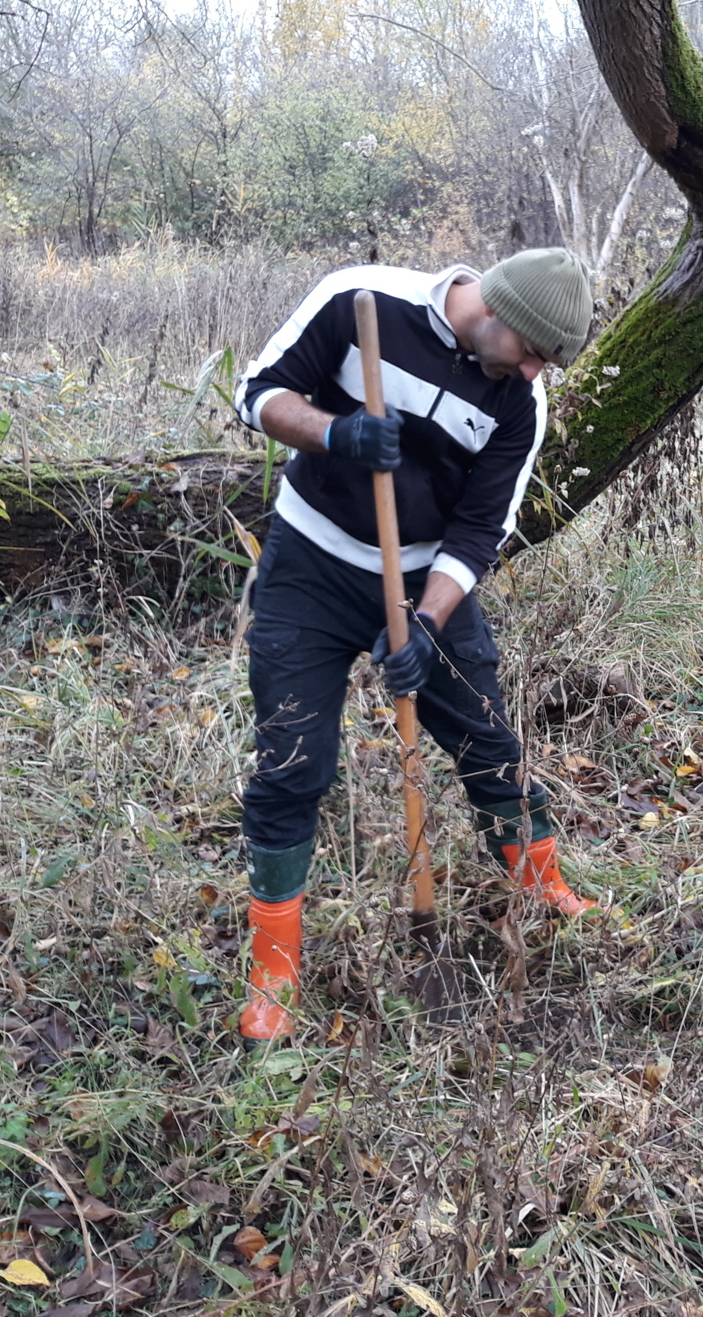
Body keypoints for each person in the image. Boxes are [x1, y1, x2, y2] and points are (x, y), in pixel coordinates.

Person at [229, 248, 601, 1041]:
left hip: (423, 578)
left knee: (488, 736)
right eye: (533, 354)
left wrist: (429, 624)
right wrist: (337, 434)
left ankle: (541, 883)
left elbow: (480, 531)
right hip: (311, 567)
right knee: (294, 757)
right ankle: (274, 966)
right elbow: (256, 395)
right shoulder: (358, 302)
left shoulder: (517, 406)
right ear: (495, 315)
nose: (536, 374)